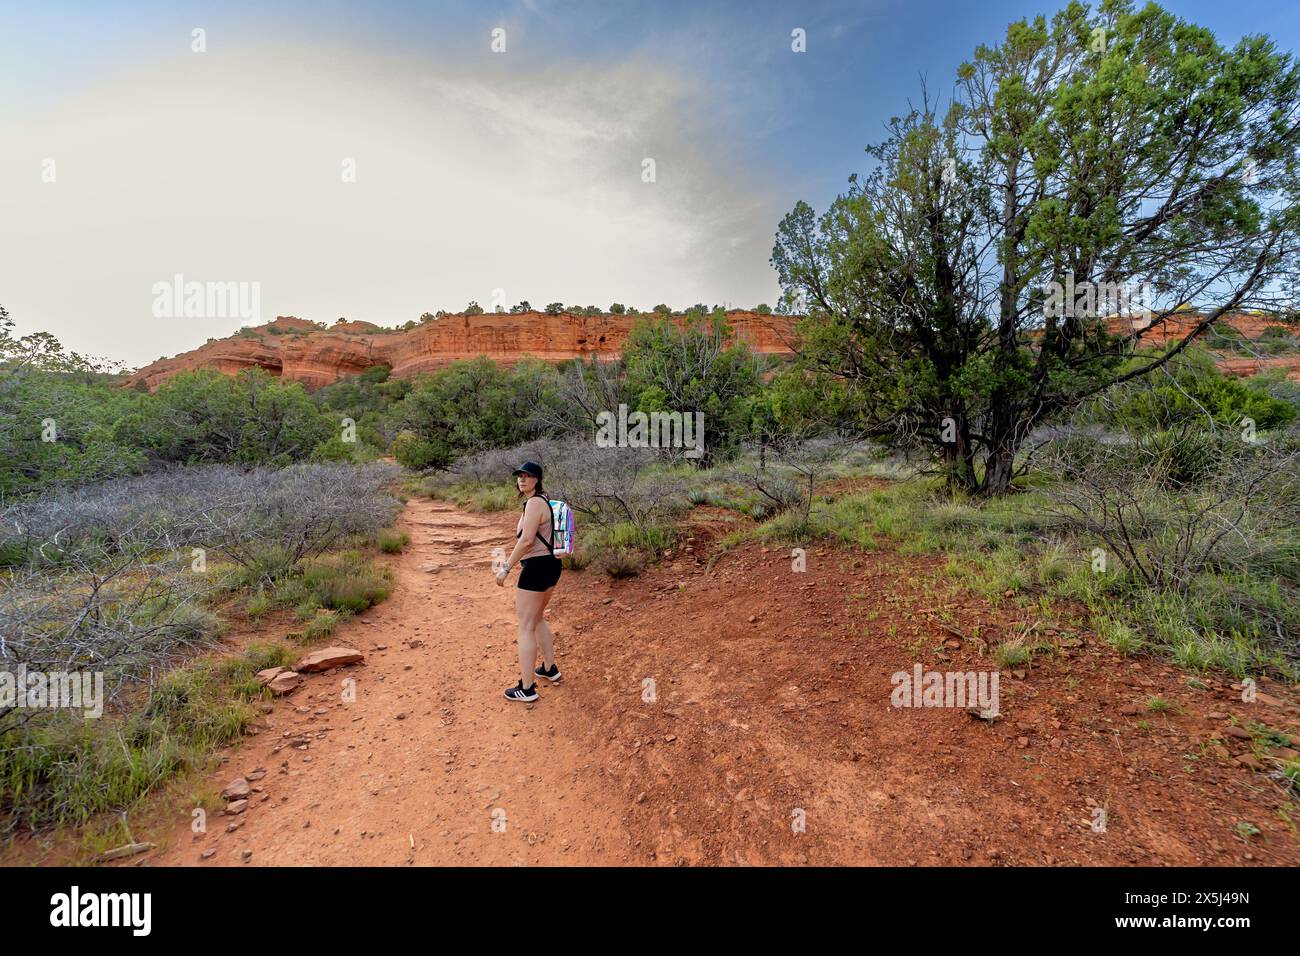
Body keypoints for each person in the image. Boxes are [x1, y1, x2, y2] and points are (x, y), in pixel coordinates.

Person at [495, 461, 563, 701]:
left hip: (535, 568)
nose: (522, 479)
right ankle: (549, 668)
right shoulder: (543, 501)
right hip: (552, 566)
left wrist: (505, 567)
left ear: (537, 479)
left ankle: (526, 688)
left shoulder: (535, 503)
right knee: (537, 619)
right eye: (519, 476)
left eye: (528, 476)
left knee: (525, 627)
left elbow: (526, 541)